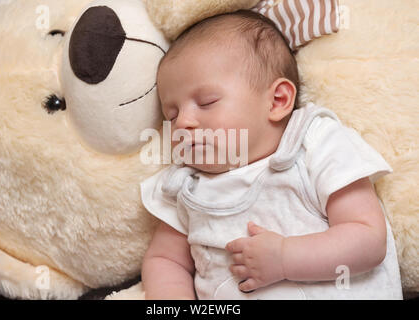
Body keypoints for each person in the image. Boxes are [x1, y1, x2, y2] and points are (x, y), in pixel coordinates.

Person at [140, 10, 402, 299]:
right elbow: (165, 261)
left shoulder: (314, 144)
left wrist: (285, 258)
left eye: (206, 102)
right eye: (171, 114)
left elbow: (368, 238)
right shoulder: (184, 187)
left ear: (277, 101)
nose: (183, 123)